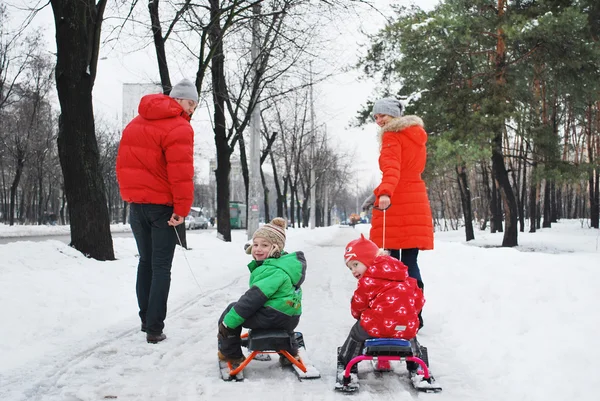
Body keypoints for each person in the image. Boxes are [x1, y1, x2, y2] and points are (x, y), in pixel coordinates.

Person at [116, 79, 198, 344]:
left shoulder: (135, 123)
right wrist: (182, 209)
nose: (193, 108)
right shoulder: (180, 126)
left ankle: (145, 320)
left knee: (146, 262)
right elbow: (181, 174)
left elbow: (122, 164)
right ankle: (154, 328)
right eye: (191, 102)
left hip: (136, 207)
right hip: (162, 208)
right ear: (180, 100)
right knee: (161, 267)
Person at [361, 97, 433, 328]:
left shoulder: (392, 136)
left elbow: (392, 169)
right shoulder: (416, 136)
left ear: (394, 115)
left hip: (398, 202)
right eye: (376, 117)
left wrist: (385, 194)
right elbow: (407, 169)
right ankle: (415, 313)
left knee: (390, 263)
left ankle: (392, 310)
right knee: (410, 260)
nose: (379, 120)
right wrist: (380, 191)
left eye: (383, 115)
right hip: (416, 198)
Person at [217, 217, 306, 365]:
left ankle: (231, 354)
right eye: (256, 244)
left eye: (264, 245)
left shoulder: (272, 270)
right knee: (279, 304)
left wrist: (230, 322)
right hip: (291, 317)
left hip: (273, 316)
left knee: (232, 311)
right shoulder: (285, 266)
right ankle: (290, 352)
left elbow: (253, 299)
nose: (258, 249)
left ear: (276, 248)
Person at [338, 234, 424, 368]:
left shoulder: (367, 281)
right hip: (405, 327)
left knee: (357, 332)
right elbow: (418, 300)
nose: (353, 271)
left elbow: (358, 306)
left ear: (369, 260)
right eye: (350, 268)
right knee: (409, 332)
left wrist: (358, 314)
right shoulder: (403, 275)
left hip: (375, 326)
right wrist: (410, 314)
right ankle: (416, 364)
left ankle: (346, 359)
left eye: (356, 264)